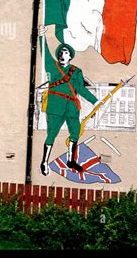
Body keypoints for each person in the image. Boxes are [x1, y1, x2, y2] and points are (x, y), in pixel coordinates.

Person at [38, 25, 100, 176]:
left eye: (65, 52)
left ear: (70, 56)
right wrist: (41, 36)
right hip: (55, 105)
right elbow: (45, 53)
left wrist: (94, 101)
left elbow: (81, 89)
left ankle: (70, 159)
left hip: (71, 107)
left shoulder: (76, 71)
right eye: (60, 52)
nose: (62, 54)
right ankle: (44, 161)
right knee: (51, 134)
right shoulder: (52, 67)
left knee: (75, 132)